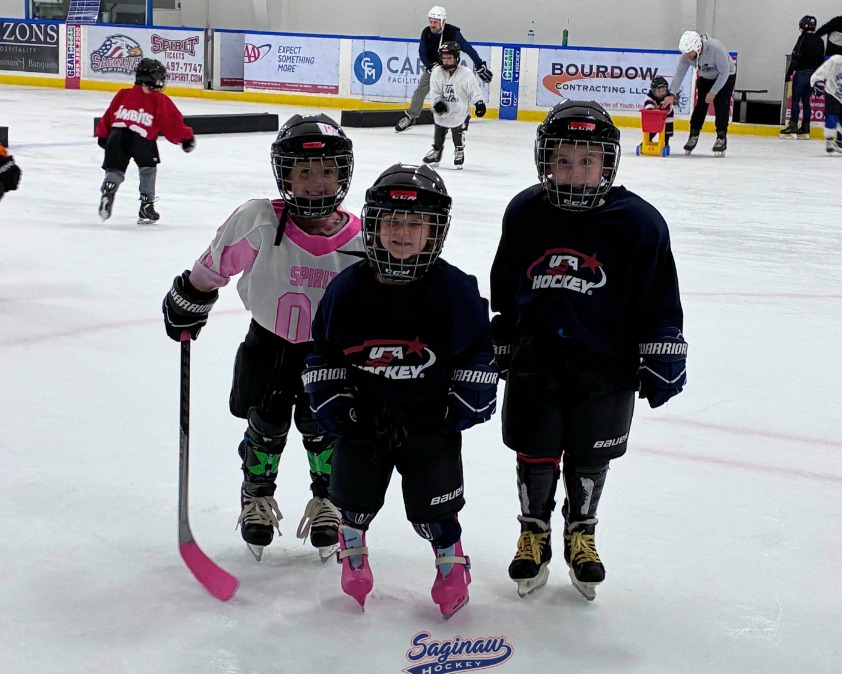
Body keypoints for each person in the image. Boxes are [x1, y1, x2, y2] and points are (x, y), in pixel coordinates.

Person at [489, 100, 686, 601]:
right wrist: (503, 333)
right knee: (535, 450)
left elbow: (658, 293)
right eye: (563, 160)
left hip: (607, 364)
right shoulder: (526, 211)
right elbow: (506, 279)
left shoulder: (639, 223)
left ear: (607, 164)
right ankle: (533, 529)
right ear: (545, 160)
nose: (574, 172)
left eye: (587, 161)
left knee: (590, 454)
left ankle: (582, 531)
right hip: (537, 359)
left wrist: (662, 348)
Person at [161, 114, 362, 561]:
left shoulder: (361, 239)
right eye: (304, 172)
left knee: (324, 428)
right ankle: (255, 496)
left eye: (327, 171)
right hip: (268, 344)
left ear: (343, 175)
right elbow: (214, 266)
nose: (316, 183)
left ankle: (328, 500)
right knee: (265, 425)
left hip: (328, 355)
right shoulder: (258, 220)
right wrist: (190, 298)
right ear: (285, 175)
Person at [304, 163, 496, 618]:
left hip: (431, 418)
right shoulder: (346, 290)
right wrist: (332, 397)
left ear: (435, 230)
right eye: (392, 221)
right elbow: (324, 351)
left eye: (415, 223)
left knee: (437, 500)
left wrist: (471, 392)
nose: (403, 232)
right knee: (352, 495)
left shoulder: (454, 290)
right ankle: (353, 545)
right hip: (363, 417)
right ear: (372, 226)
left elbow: (477, 349)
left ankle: (450, 558)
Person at [95, 57, 195, 224]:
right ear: (157, 80)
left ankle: (109, 187)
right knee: (147, 169)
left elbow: (109, 115)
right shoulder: (159, 99)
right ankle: (146, 207)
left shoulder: (123, 94)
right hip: (141, 137)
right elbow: (171, 122)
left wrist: (103, 135)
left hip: (117, 134)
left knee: (115, 169)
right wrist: (186, 137)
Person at [394, 6, 493, 134]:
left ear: (443, 22)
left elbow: (468, 49)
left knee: (458, 91)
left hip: (453, 68)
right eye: (430, 21)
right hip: (434, 68)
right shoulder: (426, 33)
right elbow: (422, 53)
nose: (432, 25)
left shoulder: (452, 32)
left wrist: (479, 64)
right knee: (420, 91)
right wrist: (431, 66)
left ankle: (464, 116)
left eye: (435, 22)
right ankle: (411, 117)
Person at [664, 31, 737, 156]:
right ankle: (694, 134)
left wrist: (713, 92)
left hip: (725, 76)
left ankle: (721, 137)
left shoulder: (716, 49)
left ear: (698, 47)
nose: (688, 55)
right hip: (706, 77)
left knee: (721, 106)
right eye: (686, 52)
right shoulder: (687, 56)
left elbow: (724, 72)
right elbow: (679, 74)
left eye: (689, 52)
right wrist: (672, 94)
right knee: (700, 107)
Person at [423, 41, 487, 169]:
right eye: (444, 58)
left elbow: (473, 90)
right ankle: (437, 150)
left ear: (456, 58)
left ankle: (459, 149)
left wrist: (479, 103)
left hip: (460, 110)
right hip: (444, 111)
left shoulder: (466, 73)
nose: (446, 61)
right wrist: (437, 103)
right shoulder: (437, 72)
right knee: (439, 129)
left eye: (449, 58)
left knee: (458, 130)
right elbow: (435, 91)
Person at [780, 16, 826, 139]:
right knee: (806, 100)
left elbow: (796, 56)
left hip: (801, 73)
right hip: (814, 74)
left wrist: (789, 73)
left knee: (795, 99)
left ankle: (793, 125)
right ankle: (806, 127)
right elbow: (821, 60)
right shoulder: (820, 40)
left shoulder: (803, 39)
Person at [642, 76, 675, 148]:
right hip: (655, 118)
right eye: (659, 91)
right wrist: (650, 109)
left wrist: (659, 110)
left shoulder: (668, 97)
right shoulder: (650, 96)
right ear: (654, 91)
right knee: (652, 129)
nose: (662, 93)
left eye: (664, 90)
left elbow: (668, 109)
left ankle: (665, 143)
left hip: (667, 119)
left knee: (666, 133)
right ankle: (647, 141)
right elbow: (648, 104)